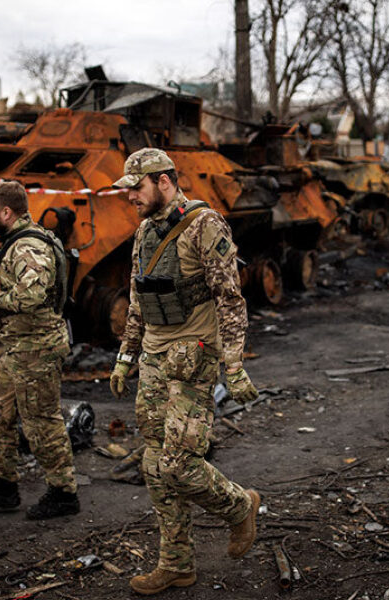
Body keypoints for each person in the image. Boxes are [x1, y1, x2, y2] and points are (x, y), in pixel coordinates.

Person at [108, 148, 260, 595]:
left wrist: (233, 363)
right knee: (155, 465)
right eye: (128, 189)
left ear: (165, 181)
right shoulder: (144, 233)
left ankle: (239, 507)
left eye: (137, 187)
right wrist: (125, 355)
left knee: (178, 464)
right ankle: (176, 564)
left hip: (193, 357)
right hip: (154, 360)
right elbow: (138, 299)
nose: (131, 196)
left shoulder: (204, 225)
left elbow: (230, 299)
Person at [0, 180, 80, 520]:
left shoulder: (27, 248)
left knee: (41, 422)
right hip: (19, 347)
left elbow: (33, 296)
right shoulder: (13, 242)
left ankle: (63, 493)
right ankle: (4, 488)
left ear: (6, 212)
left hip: (37, 348)